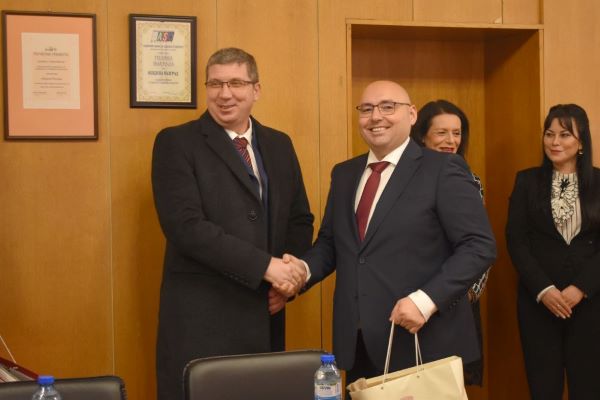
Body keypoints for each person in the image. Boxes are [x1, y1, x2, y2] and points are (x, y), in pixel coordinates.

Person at [282, 81, 496, 384]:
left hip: (424, 341)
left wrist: (425, 301)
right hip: (359, 344)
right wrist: (301, 271)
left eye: (388, 107)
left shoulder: (444, 168)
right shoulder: (345, 174)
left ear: (412, 114)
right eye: (366, 109)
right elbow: (332, 243)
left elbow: (479, 246)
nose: (375, 116)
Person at [151, 47, 314, 400]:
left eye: (236, 83)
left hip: (265, 316)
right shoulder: (176, 142)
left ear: (256, 90)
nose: (225, 94)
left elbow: (299, 220)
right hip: (202, 323)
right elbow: (186, 228)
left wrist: (288, 281)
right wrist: (267, 267)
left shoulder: (279, 144)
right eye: (216, 84)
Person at [506, 104, 600, 399]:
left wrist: (582, 287)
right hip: (539, 303)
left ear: (581, 142)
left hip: (591, 303)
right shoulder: (526, 181)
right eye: (549, 134)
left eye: (564, 135)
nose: (555, 142)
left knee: (589, 386)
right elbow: (516, 241)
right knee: (543, 388)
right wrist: (544, 289)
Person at [410, 99, 490, 386]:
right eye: (442, 132)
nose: (451, 140)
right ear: (422, 136)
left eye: (457, 133)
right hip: (410, 293)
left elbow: (479, 244)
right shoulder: (405, 177)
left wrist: (469, 293)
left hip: (455, 295)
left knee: (447, 385)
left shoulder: (469, 180)